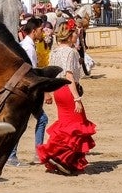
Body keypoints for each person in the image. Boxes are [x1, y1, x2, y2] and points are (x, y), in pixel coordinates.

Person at [36, 20, 98, 175]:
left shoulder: (55, 51)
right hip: (68, 90)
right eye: (75, 33)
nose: (77, 36)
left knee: (66, 124)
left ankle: (65, 159)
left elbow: (50, 73)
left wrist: (48, 92)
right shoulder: (71, 52)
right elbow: (69, 76)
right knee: (77, 126)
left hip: (58, 90)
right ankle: (61, 157)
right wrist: (77, 99)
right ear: (70, 35)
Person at [9, 17, 47, 166]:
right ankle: (17, 154)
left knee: (26, 121)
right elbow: (30, 71)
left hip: (24, 88)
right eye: (41, 30)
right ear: (34, 30)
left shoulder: (26, 45)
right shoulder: (29, 48)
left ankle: (32, 154)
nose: (42, 32)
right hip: (28, 89)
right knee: (28, 121)